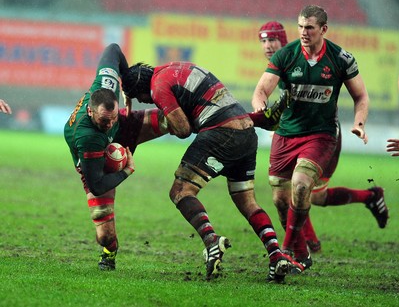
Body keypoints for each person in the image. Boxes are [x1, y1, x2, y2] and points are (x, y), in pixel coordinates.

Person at [121, 61, 303, 283]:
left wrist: (169, 122)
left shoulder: (158, 87)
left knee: (180, 191)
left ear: (141, 88)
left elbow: (183, 129)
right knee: (248, 203)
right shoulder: (174, 68)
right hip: (246, 131)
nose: (144, 101)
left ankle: (211, 241)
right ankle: (276, 255)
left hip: (221, 133)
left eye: (140, 97)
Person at [251, 5, 389, 274]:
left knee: (302, 187)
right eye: (301, 26)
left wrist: (359, 124)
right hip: (286, 135)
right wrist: (260, 108)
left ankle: (289, 251)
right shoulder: (286, 56)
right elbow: (261, 90)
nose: (304, 32)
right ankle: (304, 250)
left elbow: (361, 96)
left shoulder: (341, 58)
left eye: (309, 27)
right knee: (285, 199)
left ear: (323, 29)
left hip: (321, 135)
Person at [64, 43, 169, 271]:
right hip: (97, 164)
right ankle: (109, 253)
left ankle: (226, 122)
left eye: (111, 118)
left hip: (123, 130)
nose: (109, 123)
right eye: (104, 121)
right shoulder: (88, 137)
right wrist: (126, 170)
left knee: (172, 118)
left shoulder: (106, 87)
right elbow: (98, 185)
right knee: (105, 235)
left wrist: (127, 89)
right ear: (91, 112)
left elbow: (112, 49)